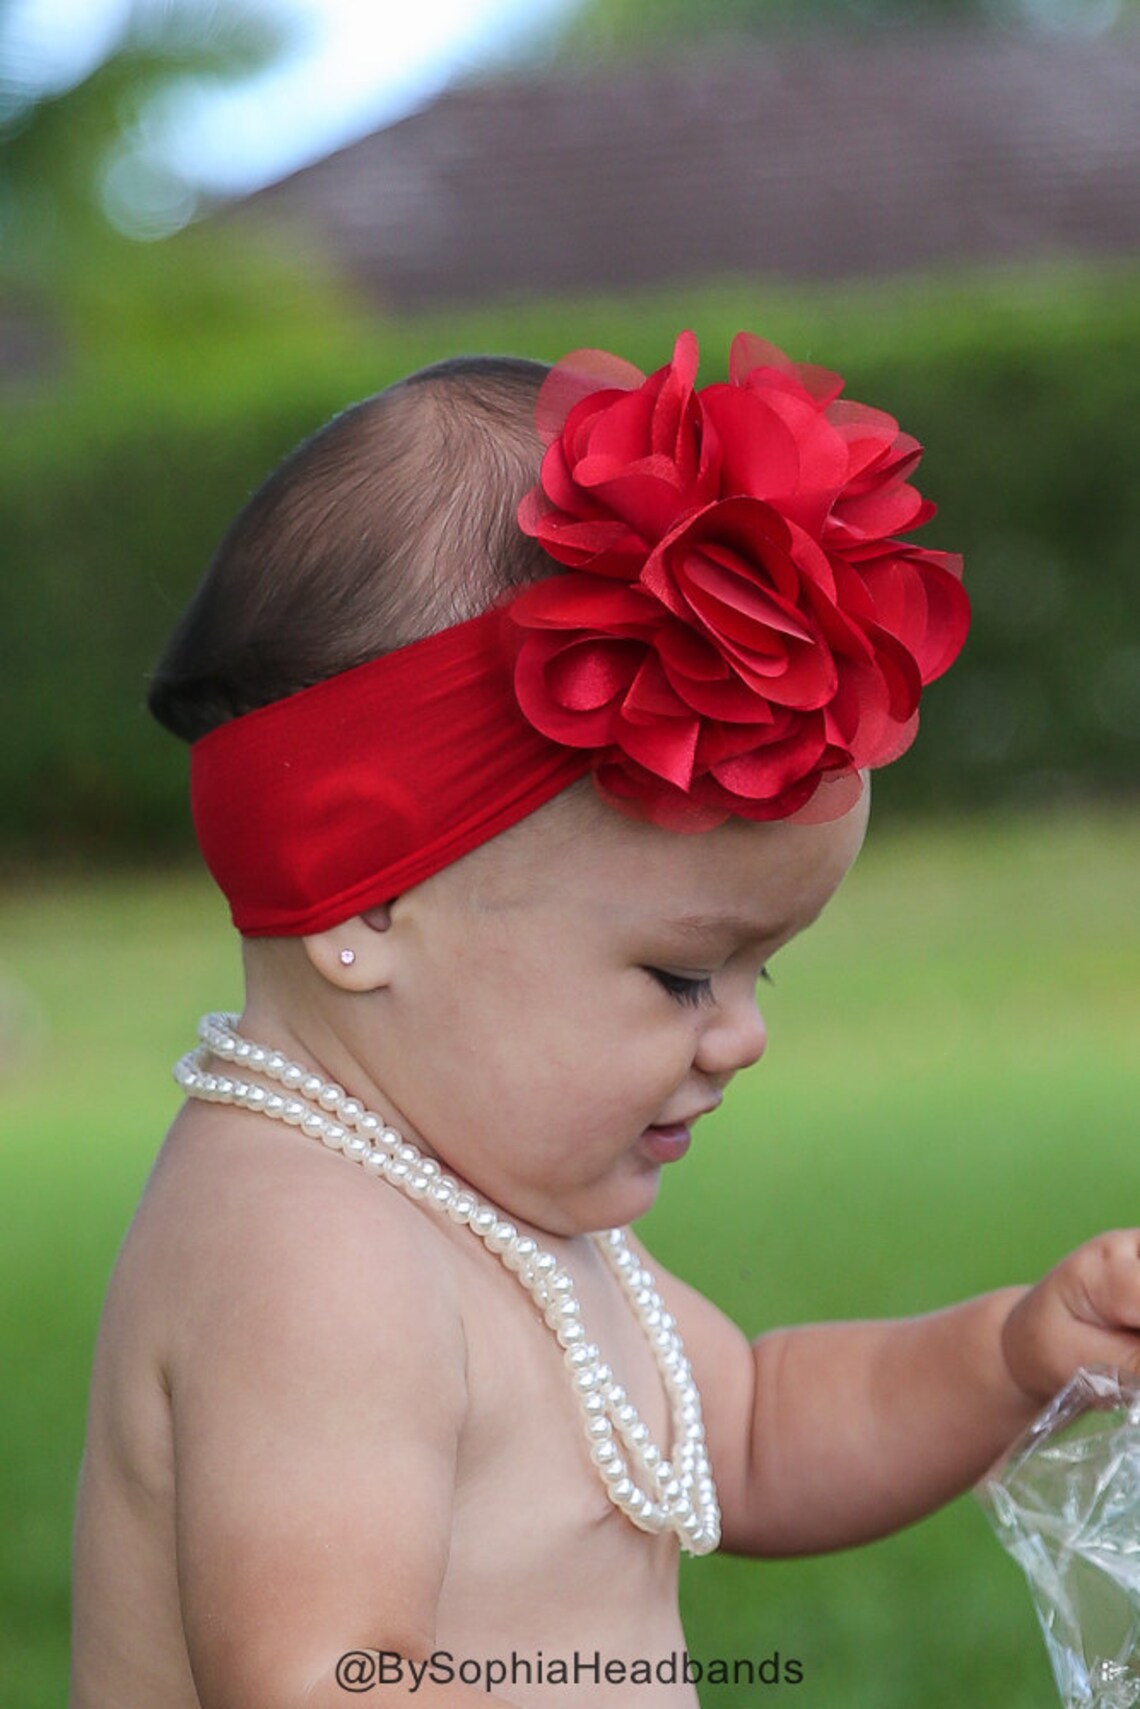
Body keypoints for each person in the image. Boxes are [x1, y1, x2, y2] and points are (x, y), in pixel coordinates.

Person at [70, 332, 1140, 1708]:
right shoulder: (312, 1251)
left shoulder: (482, 1210)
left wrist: (1005, 1355)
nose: (741, 1034)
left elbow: (752, 1425)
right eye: (683, 975)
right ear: (369, 904)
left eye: (766, 972)